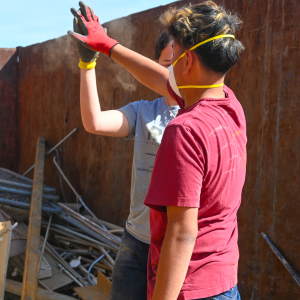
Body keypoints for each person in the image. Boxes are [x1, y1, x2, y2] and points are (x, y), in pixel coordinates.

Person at [68, 1, 247, 299]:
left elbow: (182, 232)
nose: (168, 70)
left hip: (186, 286)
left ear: (187, 63)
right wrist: (106, 46)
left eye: (173, 58)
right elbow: (167, 81)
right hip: (222, 279)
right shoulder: (230, 105)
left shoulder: (184, 129)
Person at [69, 3, 179, 299]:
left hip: (180, 249)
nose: (174, 76)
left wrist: (109, 46)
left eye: (182, 64)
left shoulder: (201, 113)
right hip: (137, 244)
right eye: (167, 65)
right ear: (154, 65)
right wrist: (87, 65)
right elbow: (94, 122)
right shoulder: (143, 112)